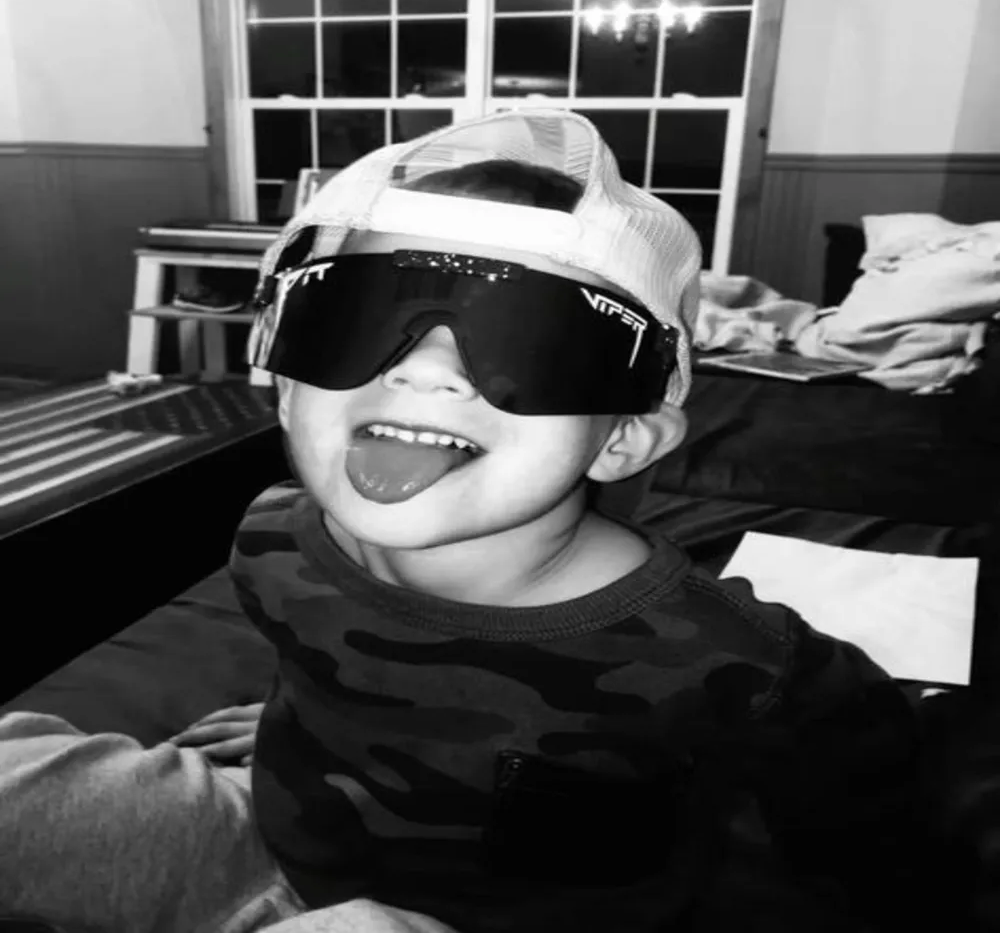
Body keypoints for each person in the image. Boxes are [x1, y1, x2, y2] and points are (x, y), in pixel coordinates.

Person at [0, 110, 932, 933]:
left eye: (533, 339)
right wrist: (299, 720)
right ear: (284, 386)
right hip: (263, 840)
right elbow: (332, 661)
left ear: (622, 439)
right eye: (356, 315)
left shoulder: (732, 660)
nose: (425, 368)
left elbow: (869, 819)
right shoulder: (275, 536)